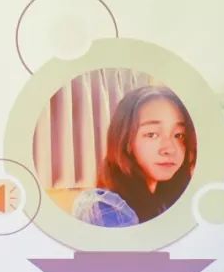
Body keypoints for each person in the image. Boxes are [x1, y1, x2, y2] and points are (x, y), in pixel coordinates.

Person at [73, 85, 198, 227]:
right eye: (152, 134)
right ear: (125, 140)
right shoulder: (105, 210)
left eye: (179, 135)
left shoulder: (172, 200)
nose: (169, 149)